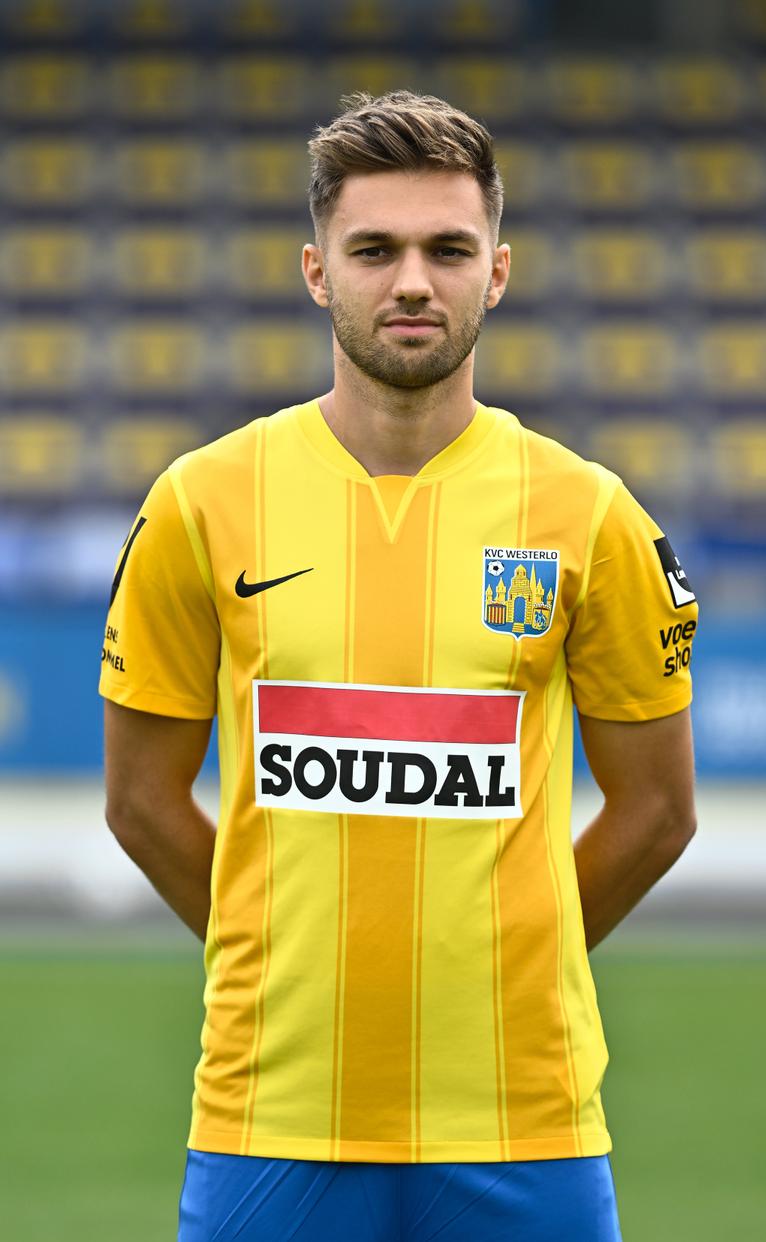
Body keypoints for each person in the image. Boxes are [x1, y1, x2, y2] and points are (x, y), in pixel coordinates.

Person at [99, 91, 698, 1242]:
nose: (412, 280)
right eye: (375, 250)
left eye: (447, 249)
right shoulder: (202, 500)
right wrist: (270, 946)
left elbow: (657, 811)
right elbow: (139, 800)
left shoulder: (589, 513)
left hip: (526, 1118)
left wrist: (508, 959)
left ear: (499, 272)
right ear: (319, 272)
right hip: (268, 1113)